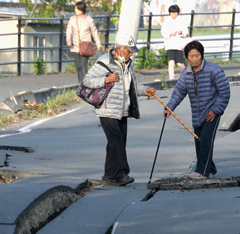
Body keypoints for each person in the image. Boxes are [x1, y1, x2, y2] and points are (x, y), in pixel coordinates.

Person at [83, 34, 156, 186]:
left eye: (132, 51)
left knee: (116, 142)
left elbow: (133, 87)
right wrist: (106, 80)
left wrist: (146, 90)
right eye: (129, 51)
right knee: (116, 141)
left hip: (122, 110)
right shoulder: (104, 62)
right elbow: (87, 81)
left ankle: (109, 174)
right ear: (120, 49)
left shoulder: (127, 64)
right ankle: (122, 173)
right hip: (107, 109)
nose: (131, 54)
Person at [164, 41, 230, 180]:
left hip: (212, 111)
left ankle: (202, 172)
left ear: (202, 55)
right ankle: (210, 169)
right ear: (187, 57)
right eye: (191, 56)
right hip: (197, 113)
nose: (194, 59)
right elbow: (179, 92)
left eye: (197, 55)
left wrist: (215, 110)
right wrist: (169, 108)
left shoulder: (214, 70)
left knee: (206, 139)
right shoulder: (185, 73)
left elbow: (224, 92)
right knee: (199, 141)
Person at [66, 1, 102, 83]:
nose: (75, 10)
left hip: (85, 46)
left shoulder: (89, 20)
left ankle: (85, 83)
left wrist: (98, 44)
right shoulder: (72, 19)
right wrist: (68, 39)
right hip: (76, 46)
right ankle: (81, 84)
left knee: (83, 66)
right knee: (78, 67)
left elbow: (94, 32)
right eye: (75, 8)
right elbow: (69, 30)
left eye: (77, 8)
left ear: (81, 9)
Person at [161, 4, 188, 80]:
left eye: (175, 13)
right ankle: (171, 77)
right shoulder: (166, 22)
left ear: (178, 13)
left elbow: (185, 32)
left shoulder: (181, 21)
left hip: (179, 45)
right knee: (171, 62)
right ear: (170, 13)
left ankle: (185, 74)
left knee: (180, 63)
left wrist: (181, 32)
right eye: (172, 13)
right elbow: (163, 32)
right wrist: (169, 34)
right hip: (170, 44)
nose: (173, 15)